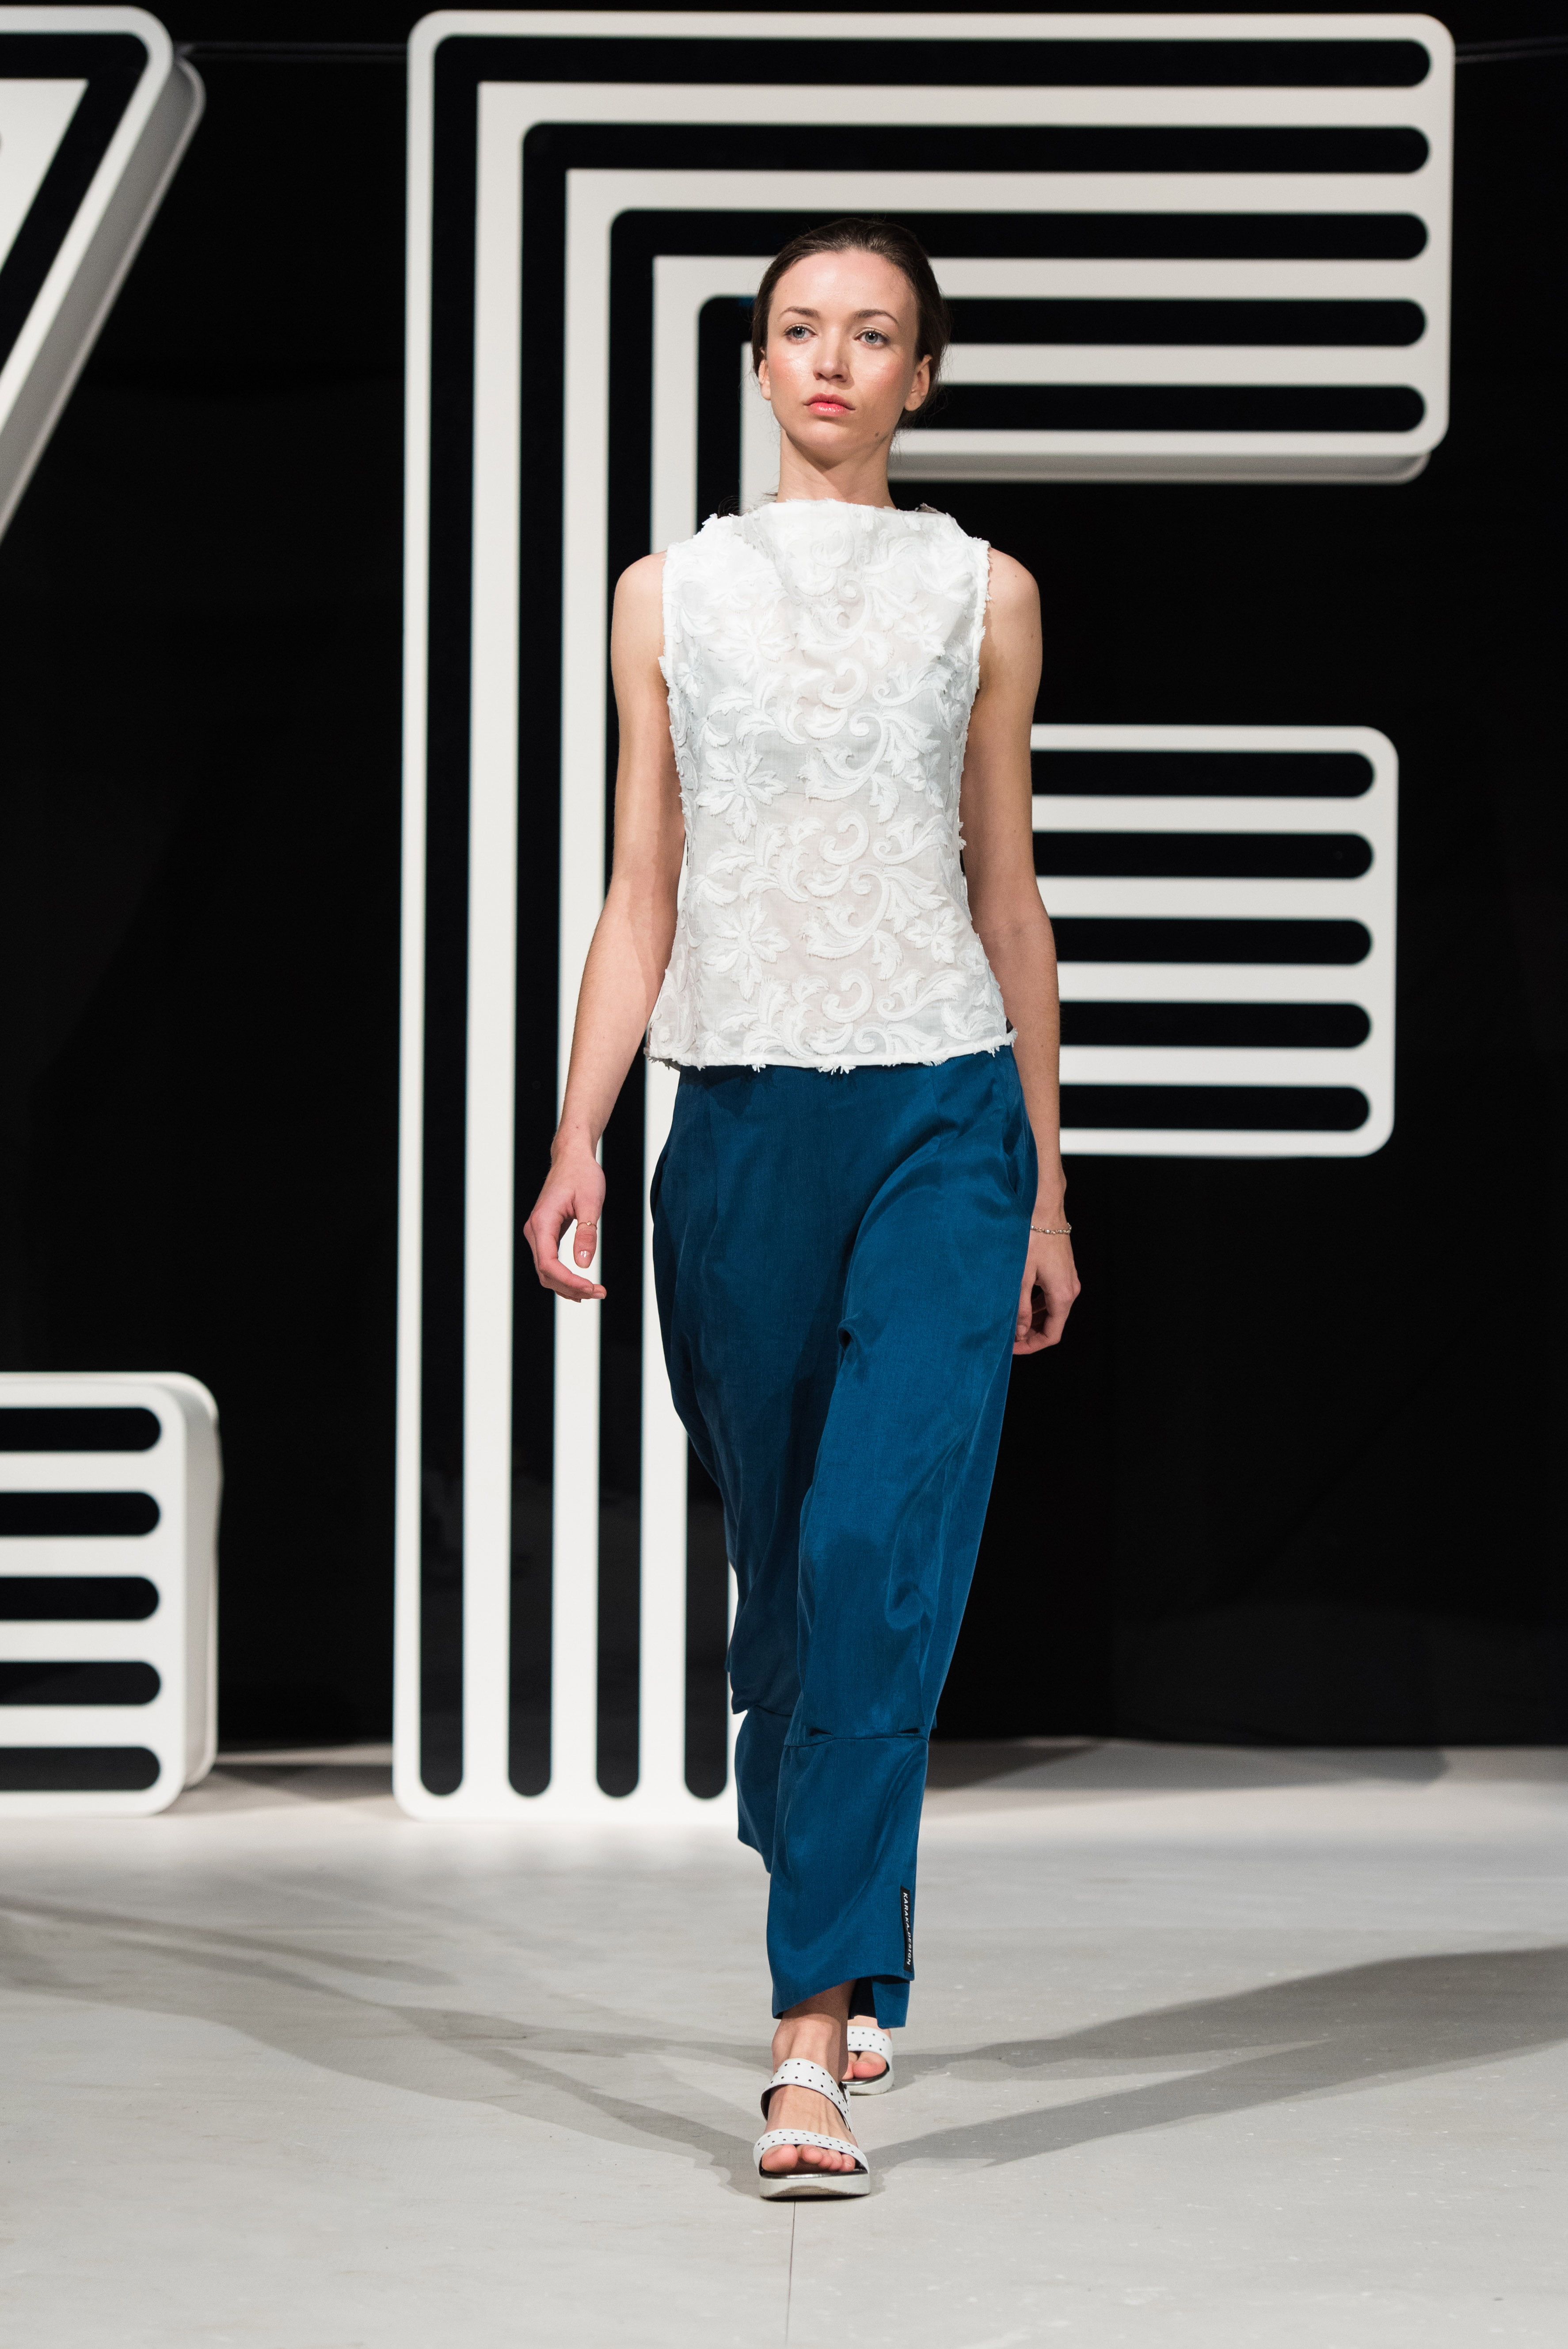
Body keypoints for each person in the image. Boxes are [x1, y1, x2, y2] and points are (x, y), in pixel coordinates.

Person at [524, 217, 1080, 2200]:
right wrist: (580, 1132)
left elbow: (1005, 887)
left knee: (872, 1544)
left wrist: (1044, 1183)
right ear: (758, 363)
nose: (831, 359)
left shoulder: (982, 593)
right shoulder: (664, 596)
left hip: (939, 1107)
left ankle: (806, 2034)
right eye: (798, 328)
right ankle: (839, 1891)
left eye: (873, 333)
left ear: (923, 375)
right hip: (739, 1121)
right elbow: (641, 886)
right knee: (780, 1568)